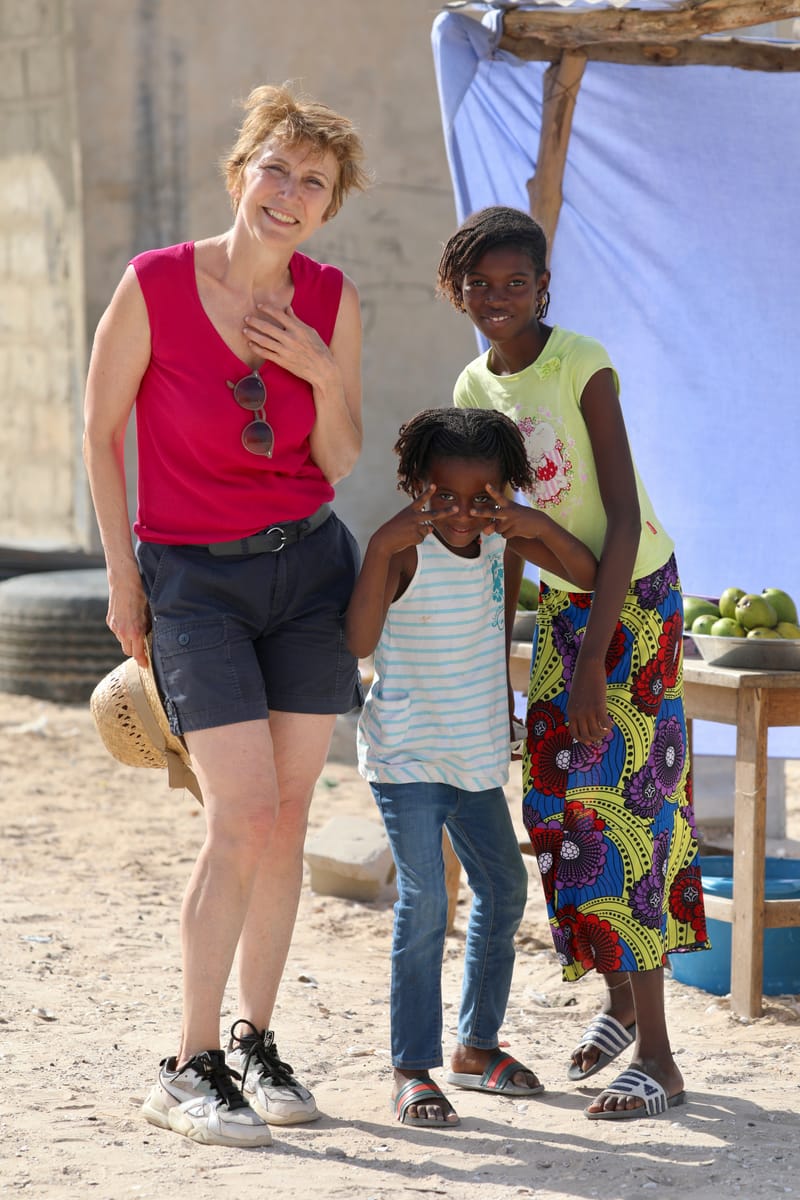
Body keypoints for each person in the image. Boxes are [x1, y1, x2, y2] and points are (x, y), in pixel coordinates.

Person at [83, 84, 370, 1148]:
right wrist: (123, 577)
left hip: (309, 576)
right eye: (275, 169)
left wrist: (319, 371)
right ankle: (187, 1063)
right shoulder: (156, 282)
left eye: (313, 182)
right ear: (240, 171)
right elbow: (99, 431)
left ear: (328, 205)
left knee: (288, 817)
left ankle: (255, 1041)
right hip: (193, 581)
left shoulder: (330, 299)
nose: (289, 193)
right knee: (239, 814)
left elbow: (339, 459)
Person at [437, 206, 709, 1121]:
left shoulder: (582, 364)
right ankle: (622, 1004)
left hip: (635, 594)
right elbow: (503, 528)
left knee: (625, 805)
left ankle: (661, 1059)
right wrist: (498, 655)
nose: (498, 297)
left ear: (544, 288)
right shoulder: (473, 384)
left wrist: (594, 662)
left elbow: (622, 517)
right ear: (457, 292)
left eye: (516, 282)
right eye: (480, 284)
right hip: (564, 604)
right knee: (556, 807)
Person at [345, 407, 597, 1128]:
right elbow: (358, 642)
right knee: (426, 901)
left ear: (504, 491)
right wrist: (380, 545)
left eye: (482, 497)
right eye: (444, 496)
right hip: (408, 757)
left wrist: (532, 522)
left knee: (504, 887)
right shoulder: (403, 553)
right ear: (416, 486)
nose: (461, 513)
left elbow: (586, 574)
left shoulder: (502, 546)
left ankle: (476, 1047)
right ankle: (411, 1067)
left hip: (478, 757)